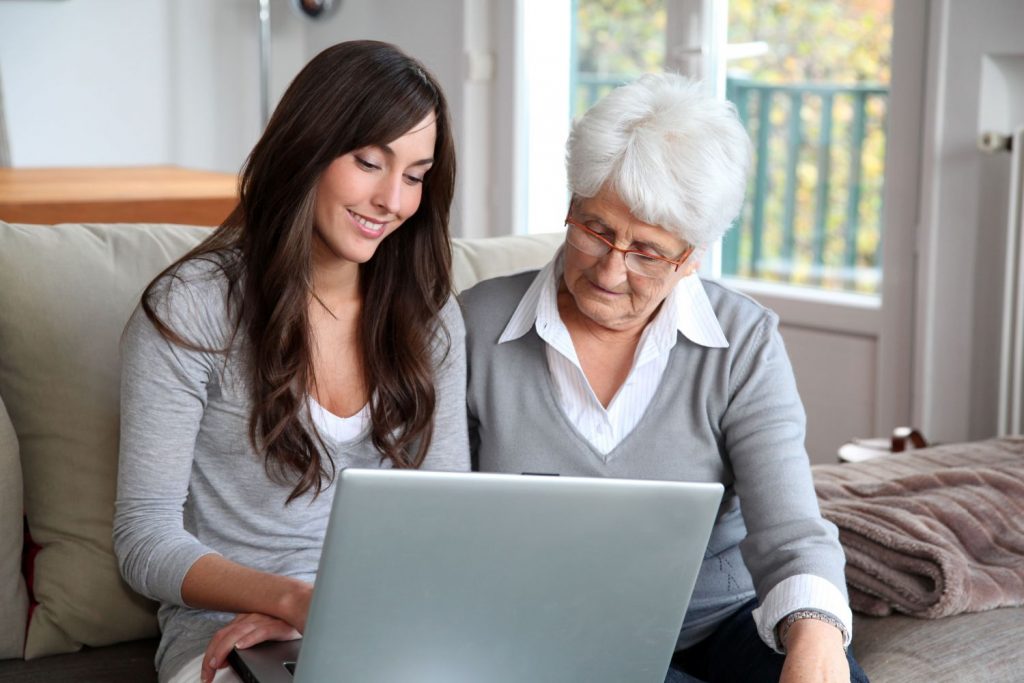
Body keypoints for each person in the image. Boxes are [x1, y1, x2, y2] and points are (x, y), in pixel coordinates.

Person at [461, 73, 869, 683]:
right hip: (542, 634)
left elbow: (791, 530)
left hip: (718, 620)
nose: (610, 268)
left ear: (692, 257)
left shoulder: (744, 341)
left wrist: (817, 642)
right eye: (595, 229)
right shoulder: (473, 326)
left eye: (648, 251)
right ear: (570, 208)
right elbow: (436, 523)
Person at [113, 40, 469, 683]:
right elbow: (143, 540)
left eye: (415, 176)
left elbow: (445, 525)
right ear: (308, 147)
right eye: (369, 161)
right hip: (229, 634)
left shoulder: (428, 316)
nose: (392, 198)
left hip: (387, 624)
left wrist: (345, 612)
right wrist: (294, 602)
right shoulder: (192, 308)